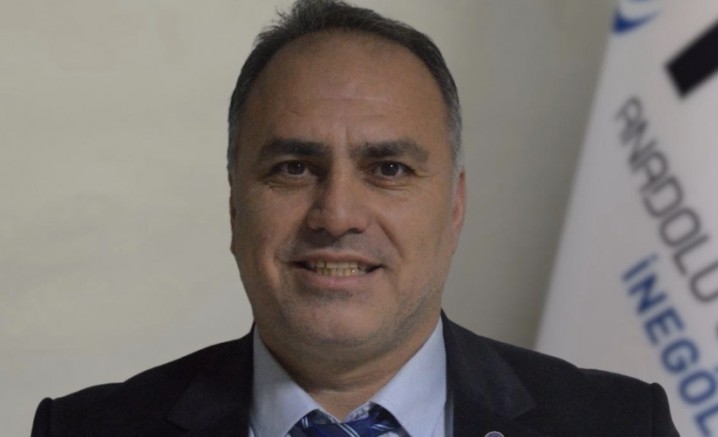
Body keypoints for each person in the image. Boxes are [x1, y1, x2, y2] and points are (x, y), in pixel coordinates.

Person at [30, 1, 679, 436]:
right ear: (234, 206)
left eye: (388, 168)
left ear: (455, 207)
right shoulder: (85, 430)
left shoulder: (619, 425)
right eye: (293, 168)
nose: (337, 214)